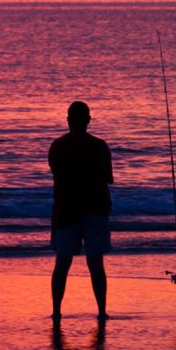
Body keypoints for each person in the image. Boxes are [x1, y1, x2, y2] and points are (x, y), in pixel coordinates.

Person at [48, 100, 114, 321]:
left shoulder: (58, 146)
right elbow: (108, 178)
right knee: (96, 263)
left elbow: (56, 176)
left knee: (62, 263)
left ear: (68, 121)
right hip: (96, 208)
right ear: (88, 121)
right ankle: (102, 311)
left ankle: (57, 311)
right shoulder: (100, 146)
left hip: (66, 210)